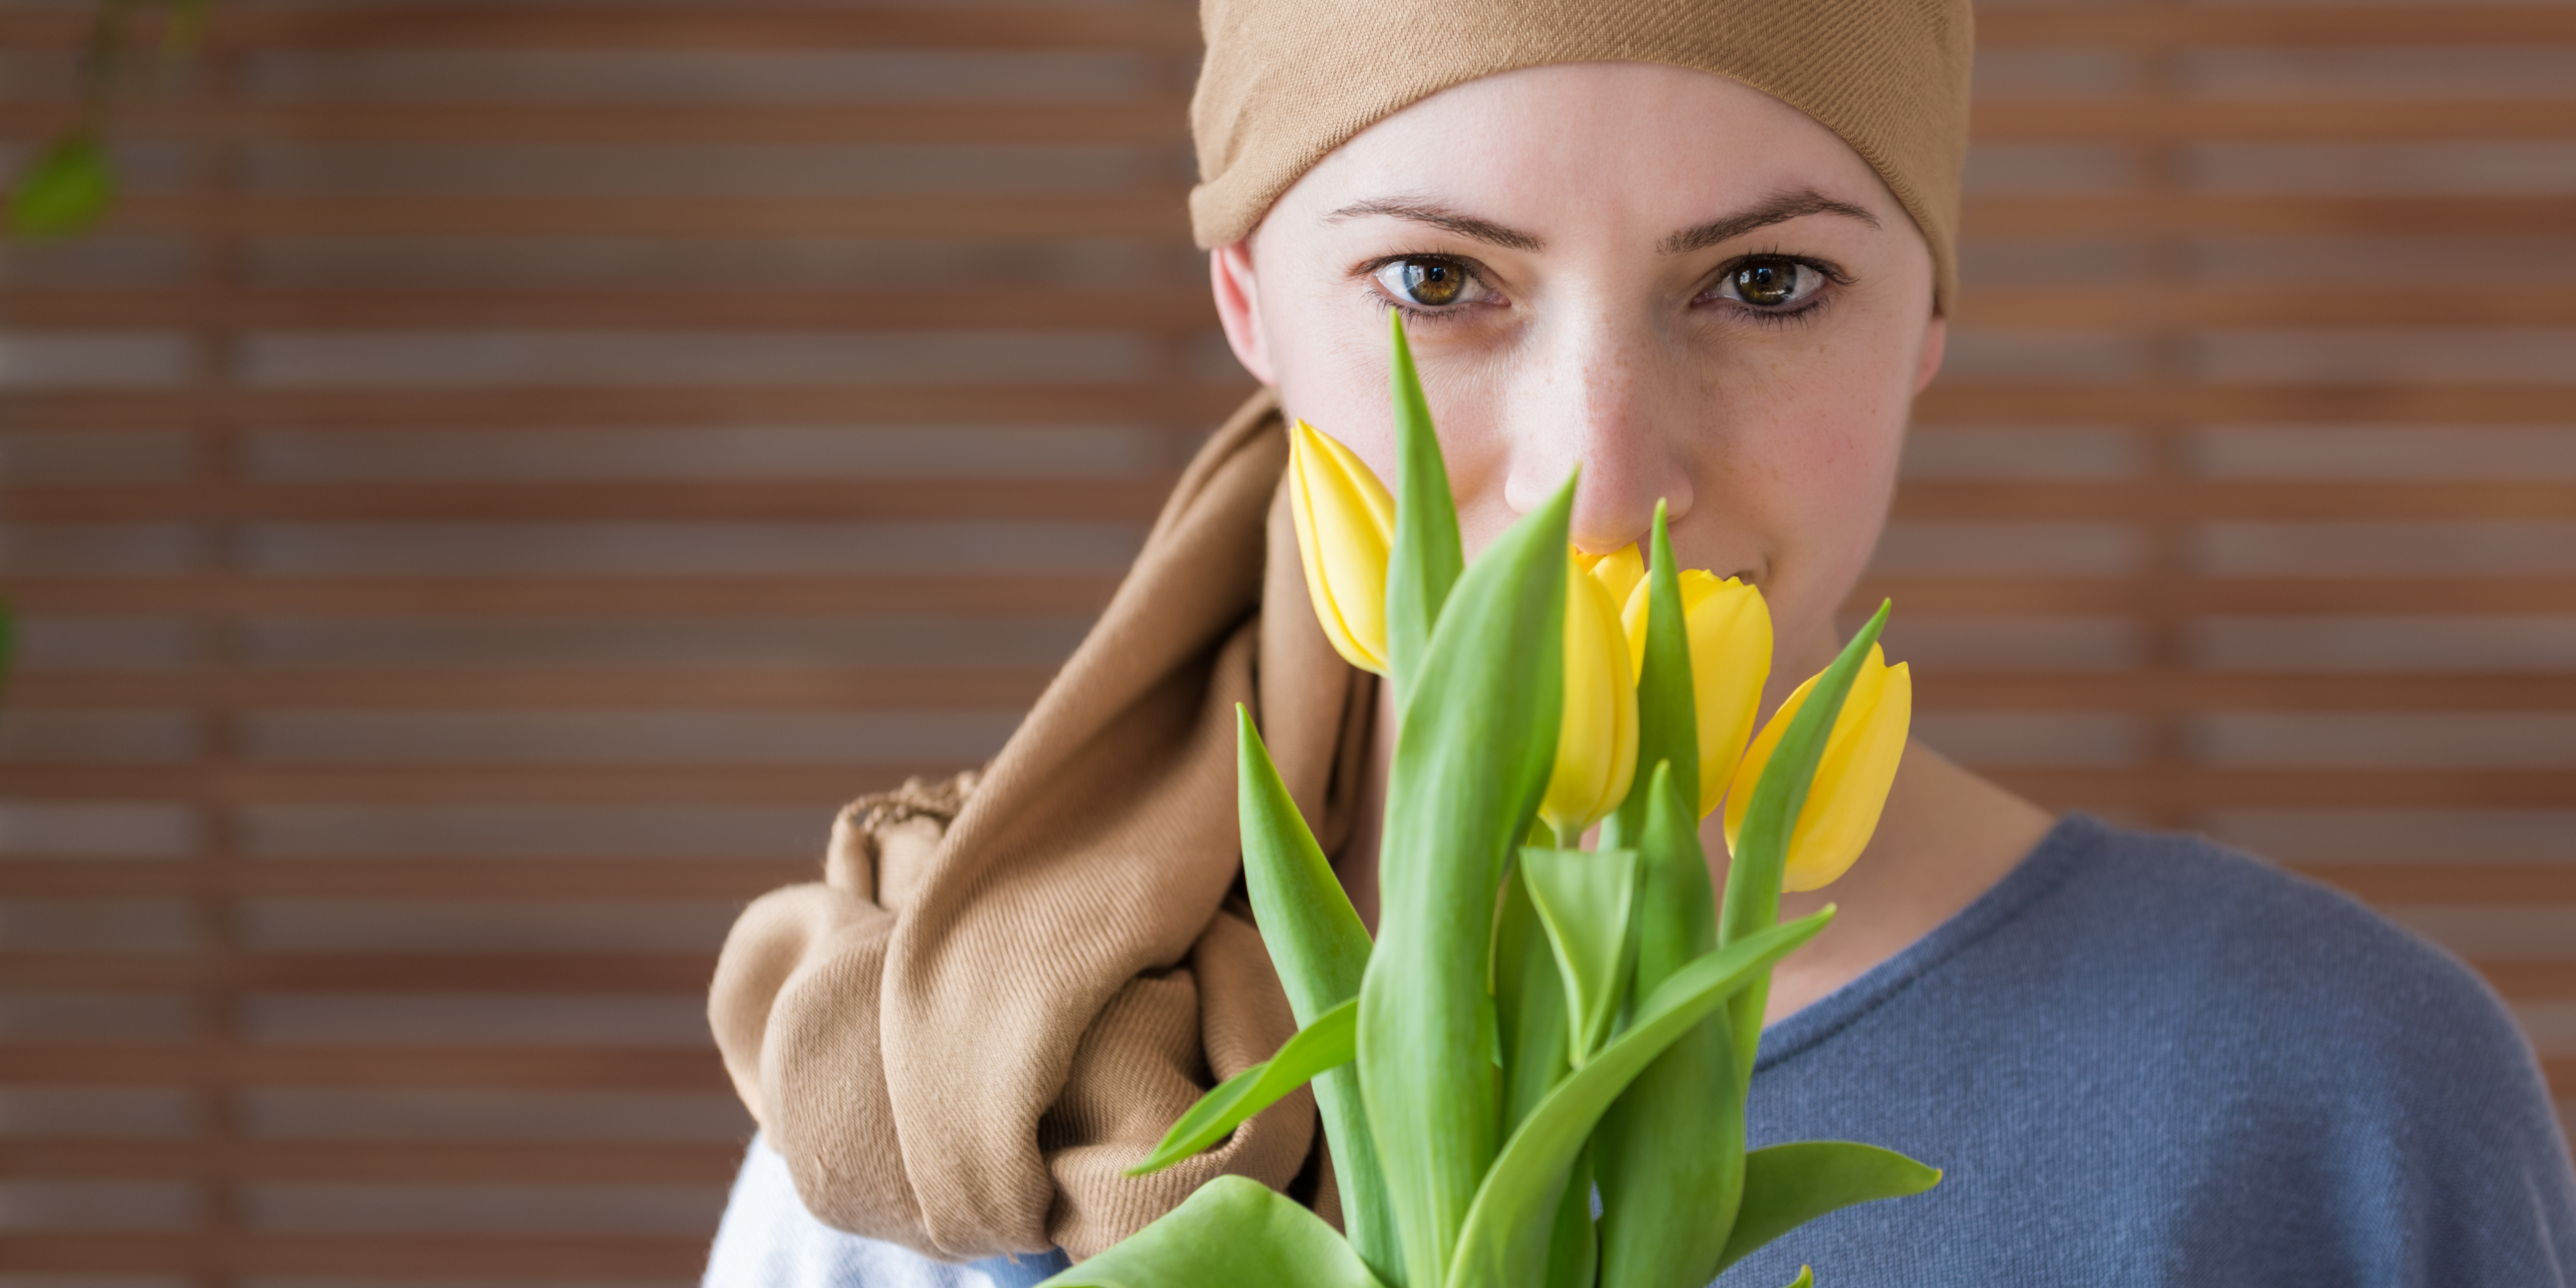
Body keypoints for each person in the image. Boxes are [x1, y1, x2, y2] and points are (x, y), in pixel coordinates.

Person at [701, 1, 2576, 1284]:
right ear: (1250, 306)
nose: (1603, 481)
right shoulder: (948, 1075)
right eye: (1440, 282)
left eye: (1767, 284)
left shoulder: (2337, 1097)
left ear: (1927, 324)